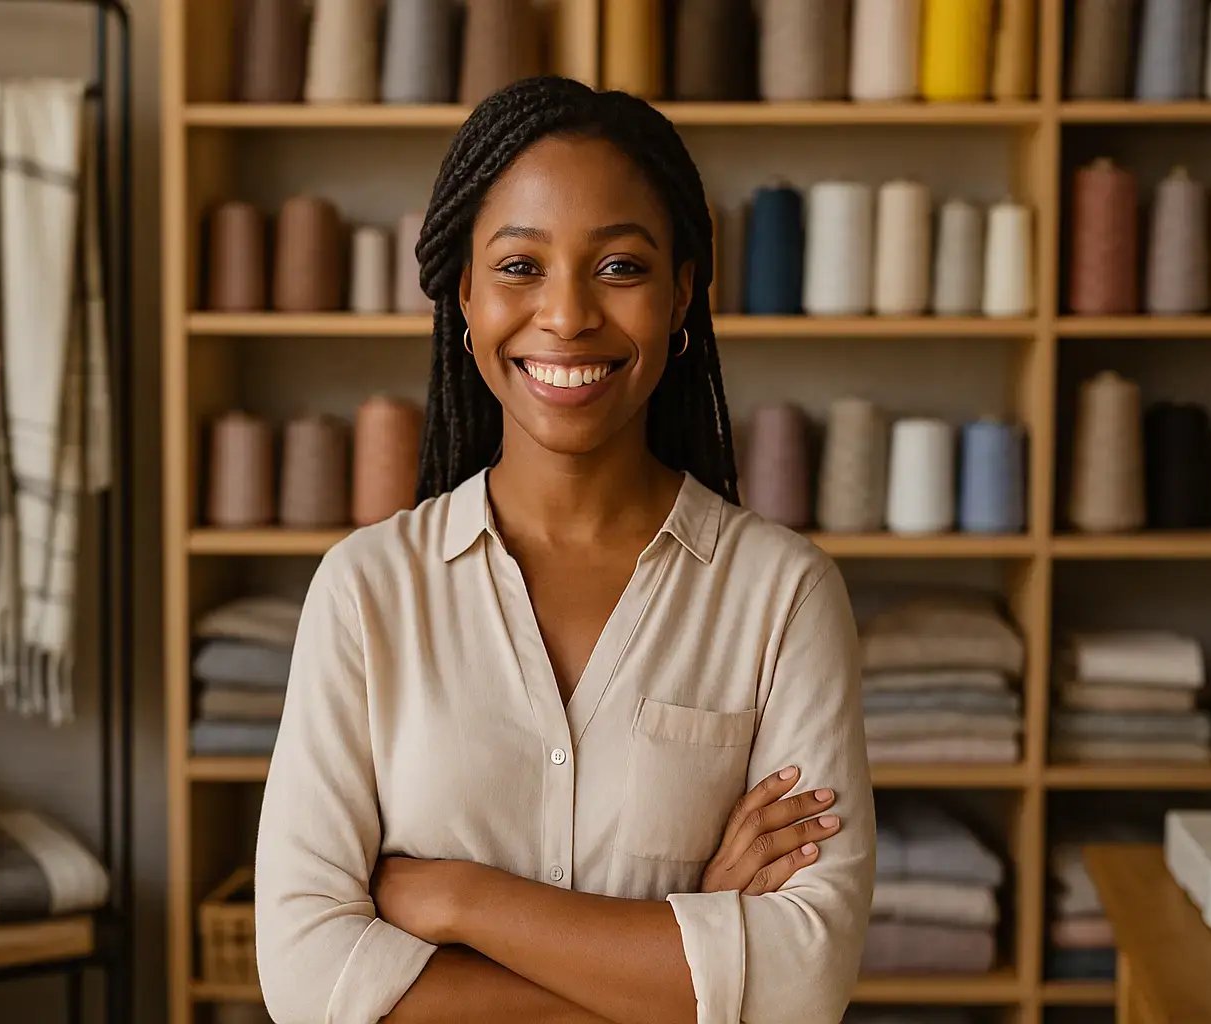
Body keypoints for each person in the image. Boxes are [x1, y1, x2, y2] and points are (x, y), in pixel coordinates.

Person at [255, 75, 874, 1024]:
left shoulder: (782, 597)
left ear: (681, 295)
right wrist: (687, 959)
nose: (568, 314)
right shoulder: (367, 591)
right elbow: (306, 976)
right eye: (519, 266)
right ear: (464, 293)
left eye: (620, 267)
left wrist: (459, 898)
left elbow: (802, 987)